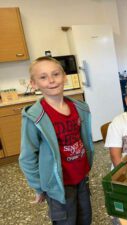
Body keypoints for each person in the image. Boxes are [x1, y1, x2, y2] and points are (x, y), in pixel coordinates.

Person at [19, 56, 94, 225]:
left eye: (55, 74)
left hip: (81, 177)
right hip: (57, 184)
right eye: (43, 77)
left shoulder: (79, 107)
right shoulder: (34, 117)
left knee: (85, 218)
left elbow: (84, 140)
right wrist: (38, 187)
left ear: (65, 77)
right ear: (34, 83)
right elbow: (27, 157)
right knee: (66, 222)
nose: (51, 81)